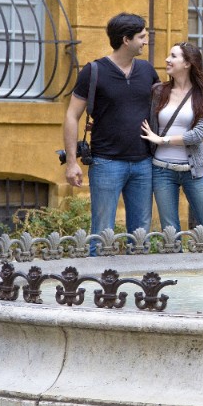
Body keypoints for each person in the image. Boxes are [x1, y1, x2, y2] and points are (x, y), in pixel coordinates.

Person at [63, 13, 158, 244]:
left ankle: (142, 279)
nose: (146, 41)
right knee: (101, 233)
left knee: (141, 235)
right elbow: (72, 115)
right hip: (106, 163)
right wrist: (72, 162)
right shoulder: (94, 71)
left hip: (143, 162)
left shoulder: (147, 71)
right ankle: (98, 278)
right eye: (142, 37)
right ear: (126, 40)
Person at [141, 42, 203, 250]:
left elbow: (200, 133)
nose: (167, 59)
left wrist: (163, 140)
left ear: (187, 63)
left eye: (173, 56)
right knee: (171, 236)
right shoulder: (158, 91)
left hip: (195, 171)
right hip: (161, 171)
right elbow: (145, 120)